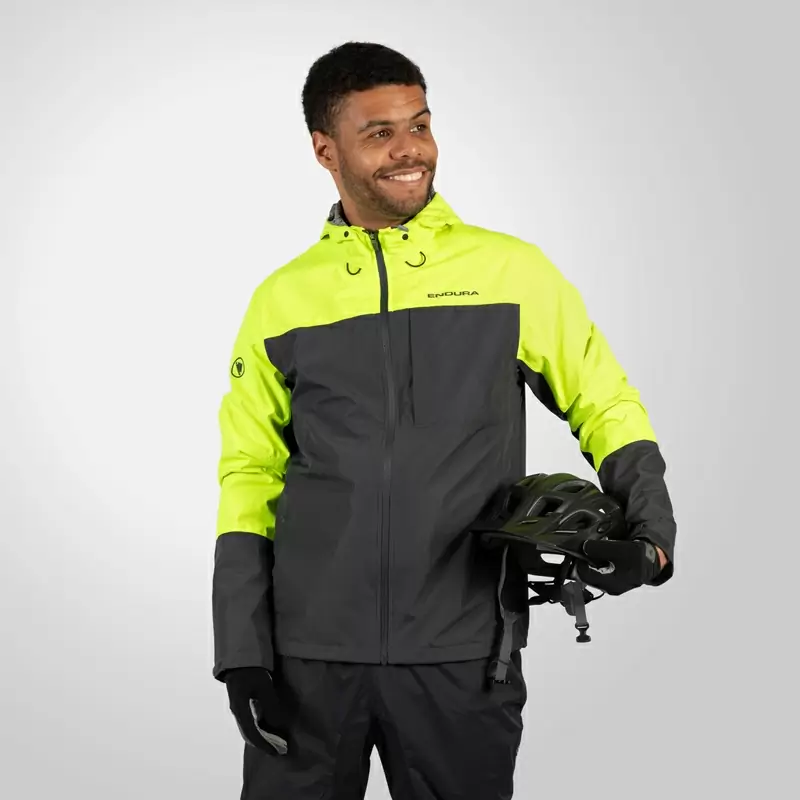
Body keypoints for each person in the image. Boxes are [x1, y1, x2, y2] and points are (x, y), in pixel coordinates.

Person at [212, 41, 676, 800]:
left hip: (463, 655)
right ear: (325, 150)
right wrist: (241, 649)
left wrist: (652, 535)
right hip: (307, 660)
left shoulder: (512, 272)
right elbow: (249, 473)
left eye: (419, 125)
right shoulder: (281, 300)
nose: (411, 150)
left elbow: (605, 401)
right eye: (380, 133)